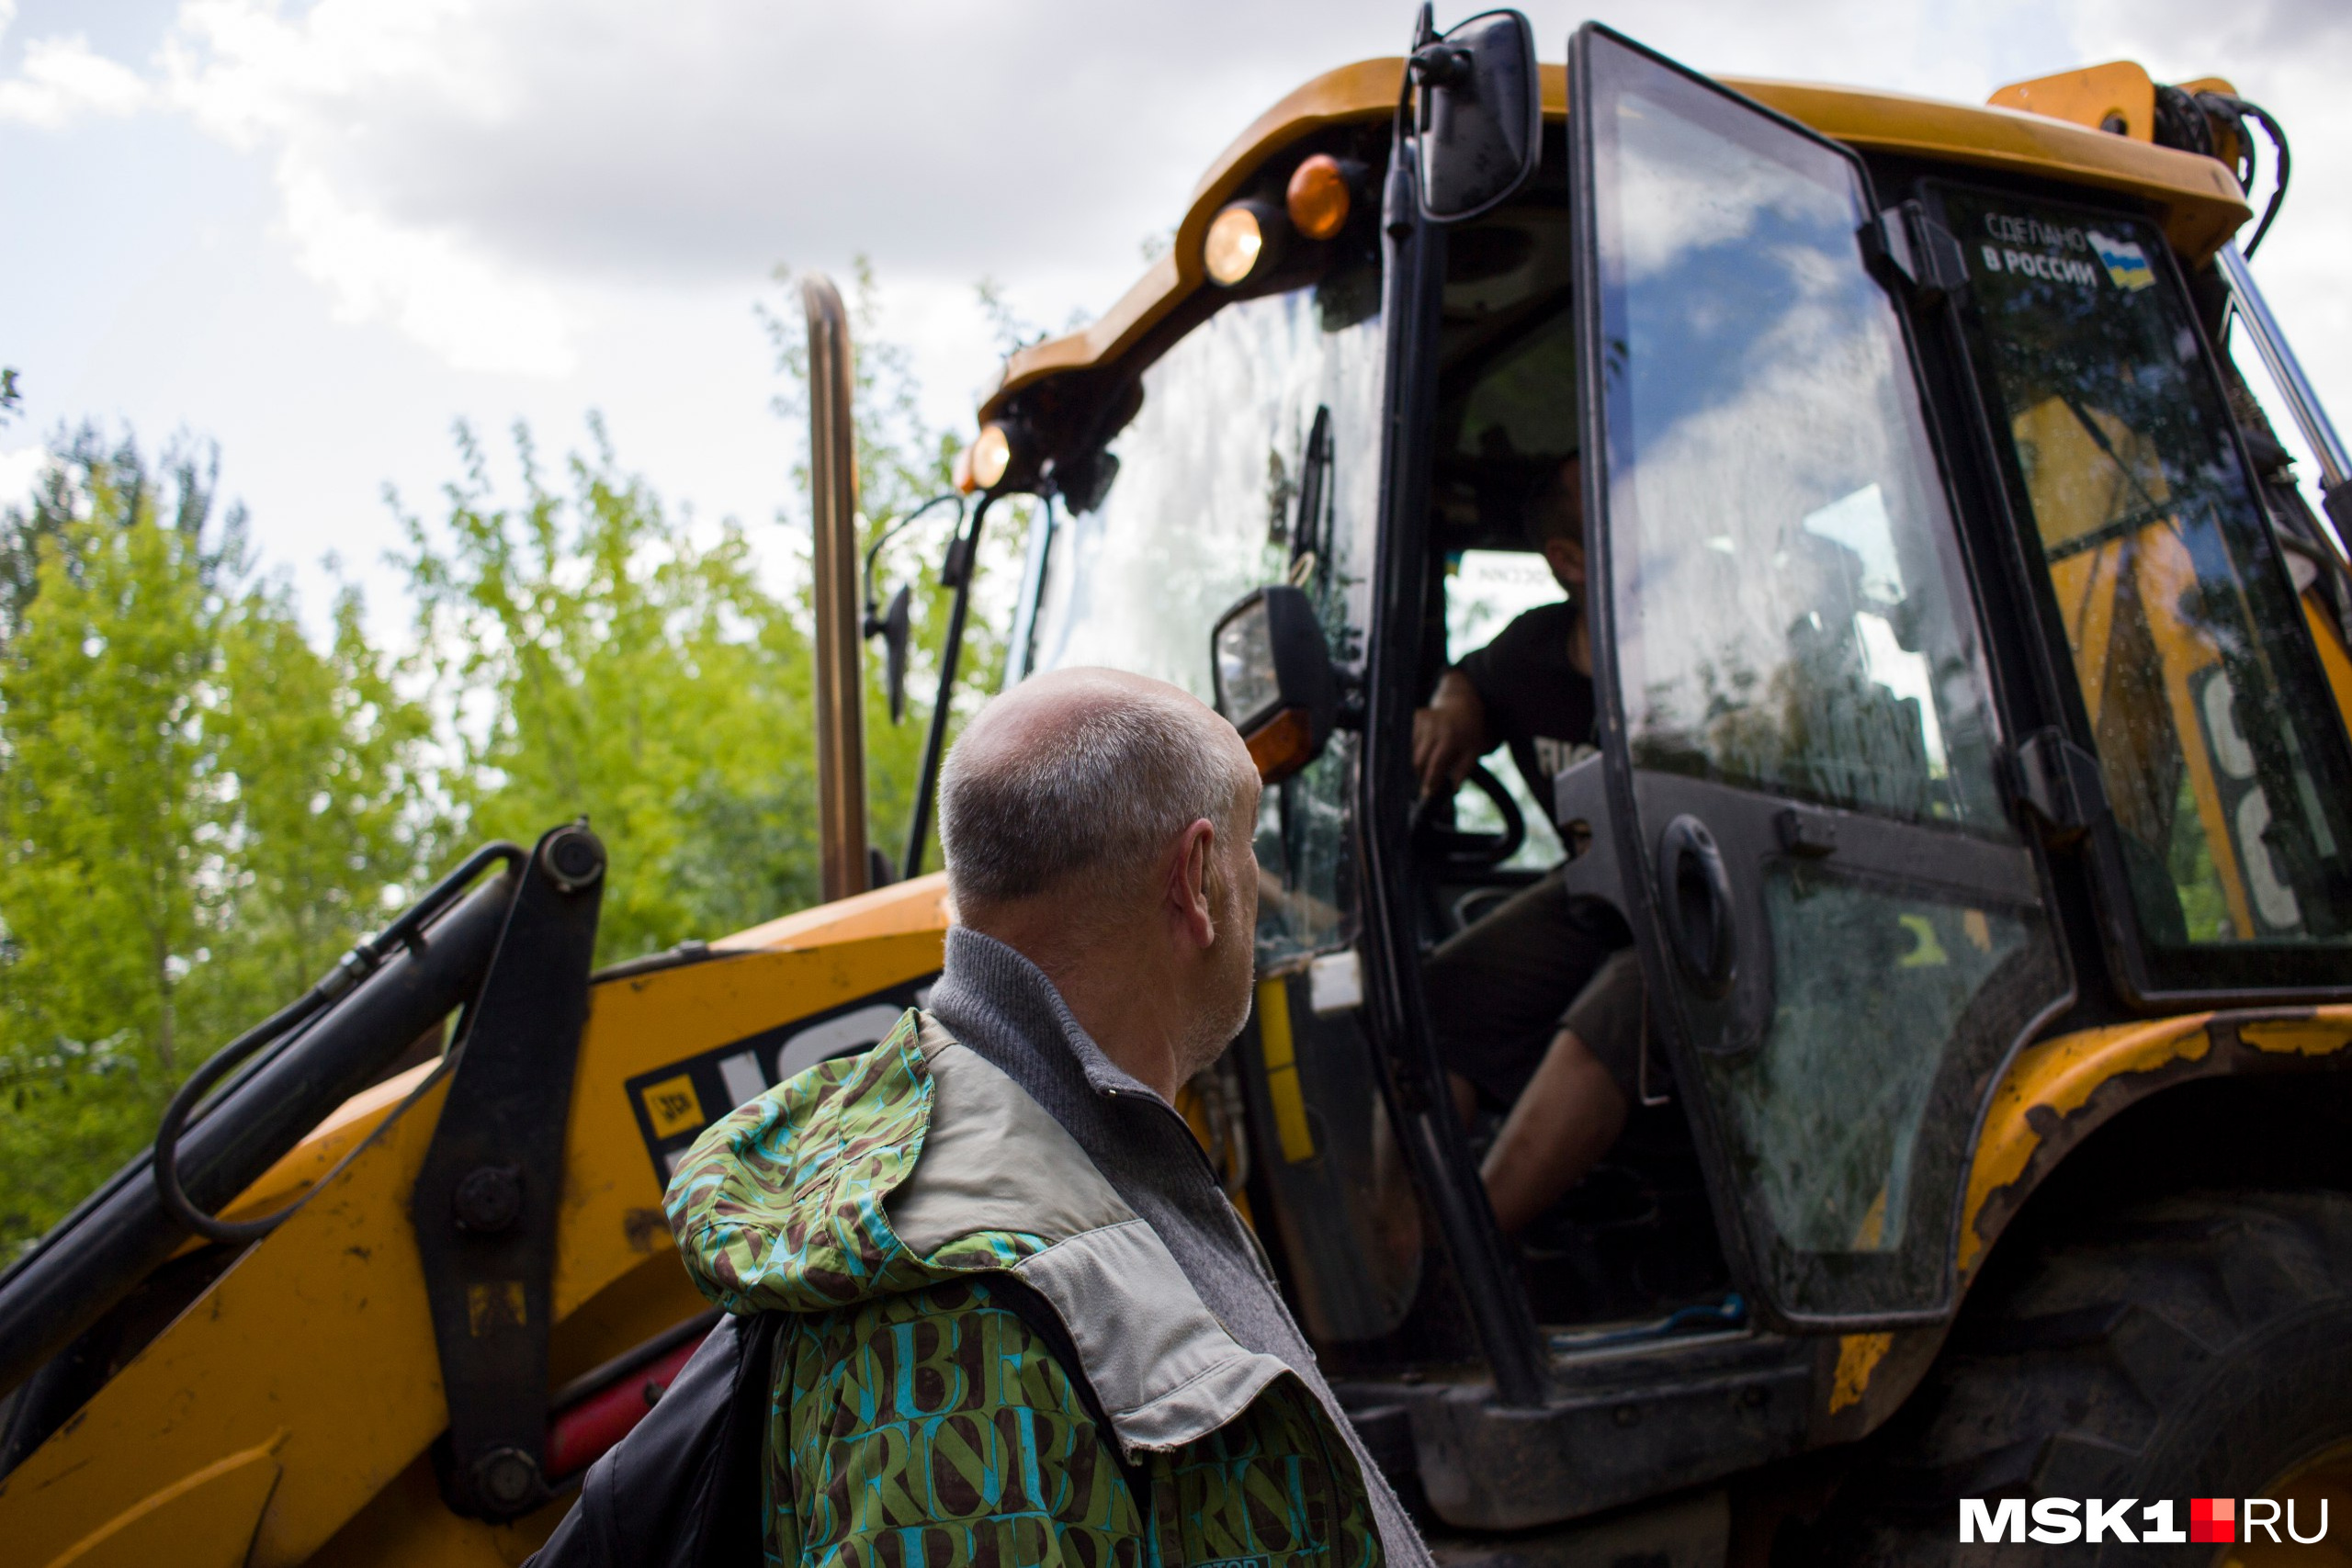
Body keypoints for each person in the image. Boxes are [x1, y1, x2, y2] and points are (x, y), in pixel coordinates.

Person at [653, 669, 1431, 1567]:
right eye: (1252, 851)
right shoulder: (961, 1309)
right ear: (1195, 878)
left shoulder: (1093, 1153)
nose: (1261, 888)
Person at [1413, 455, 1647, 1237]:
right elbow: (1471, 682)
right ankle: (1405, 1249)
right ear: (1569, 561)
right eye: (1618, 504)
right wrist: (1450, 711)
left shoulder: (1696, 641)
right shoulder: (1534, 650)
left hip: (1702, 900)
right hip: (1599, 891)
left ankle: (1467, 1270)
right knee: (1434, 998)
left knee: (1620, 1004)